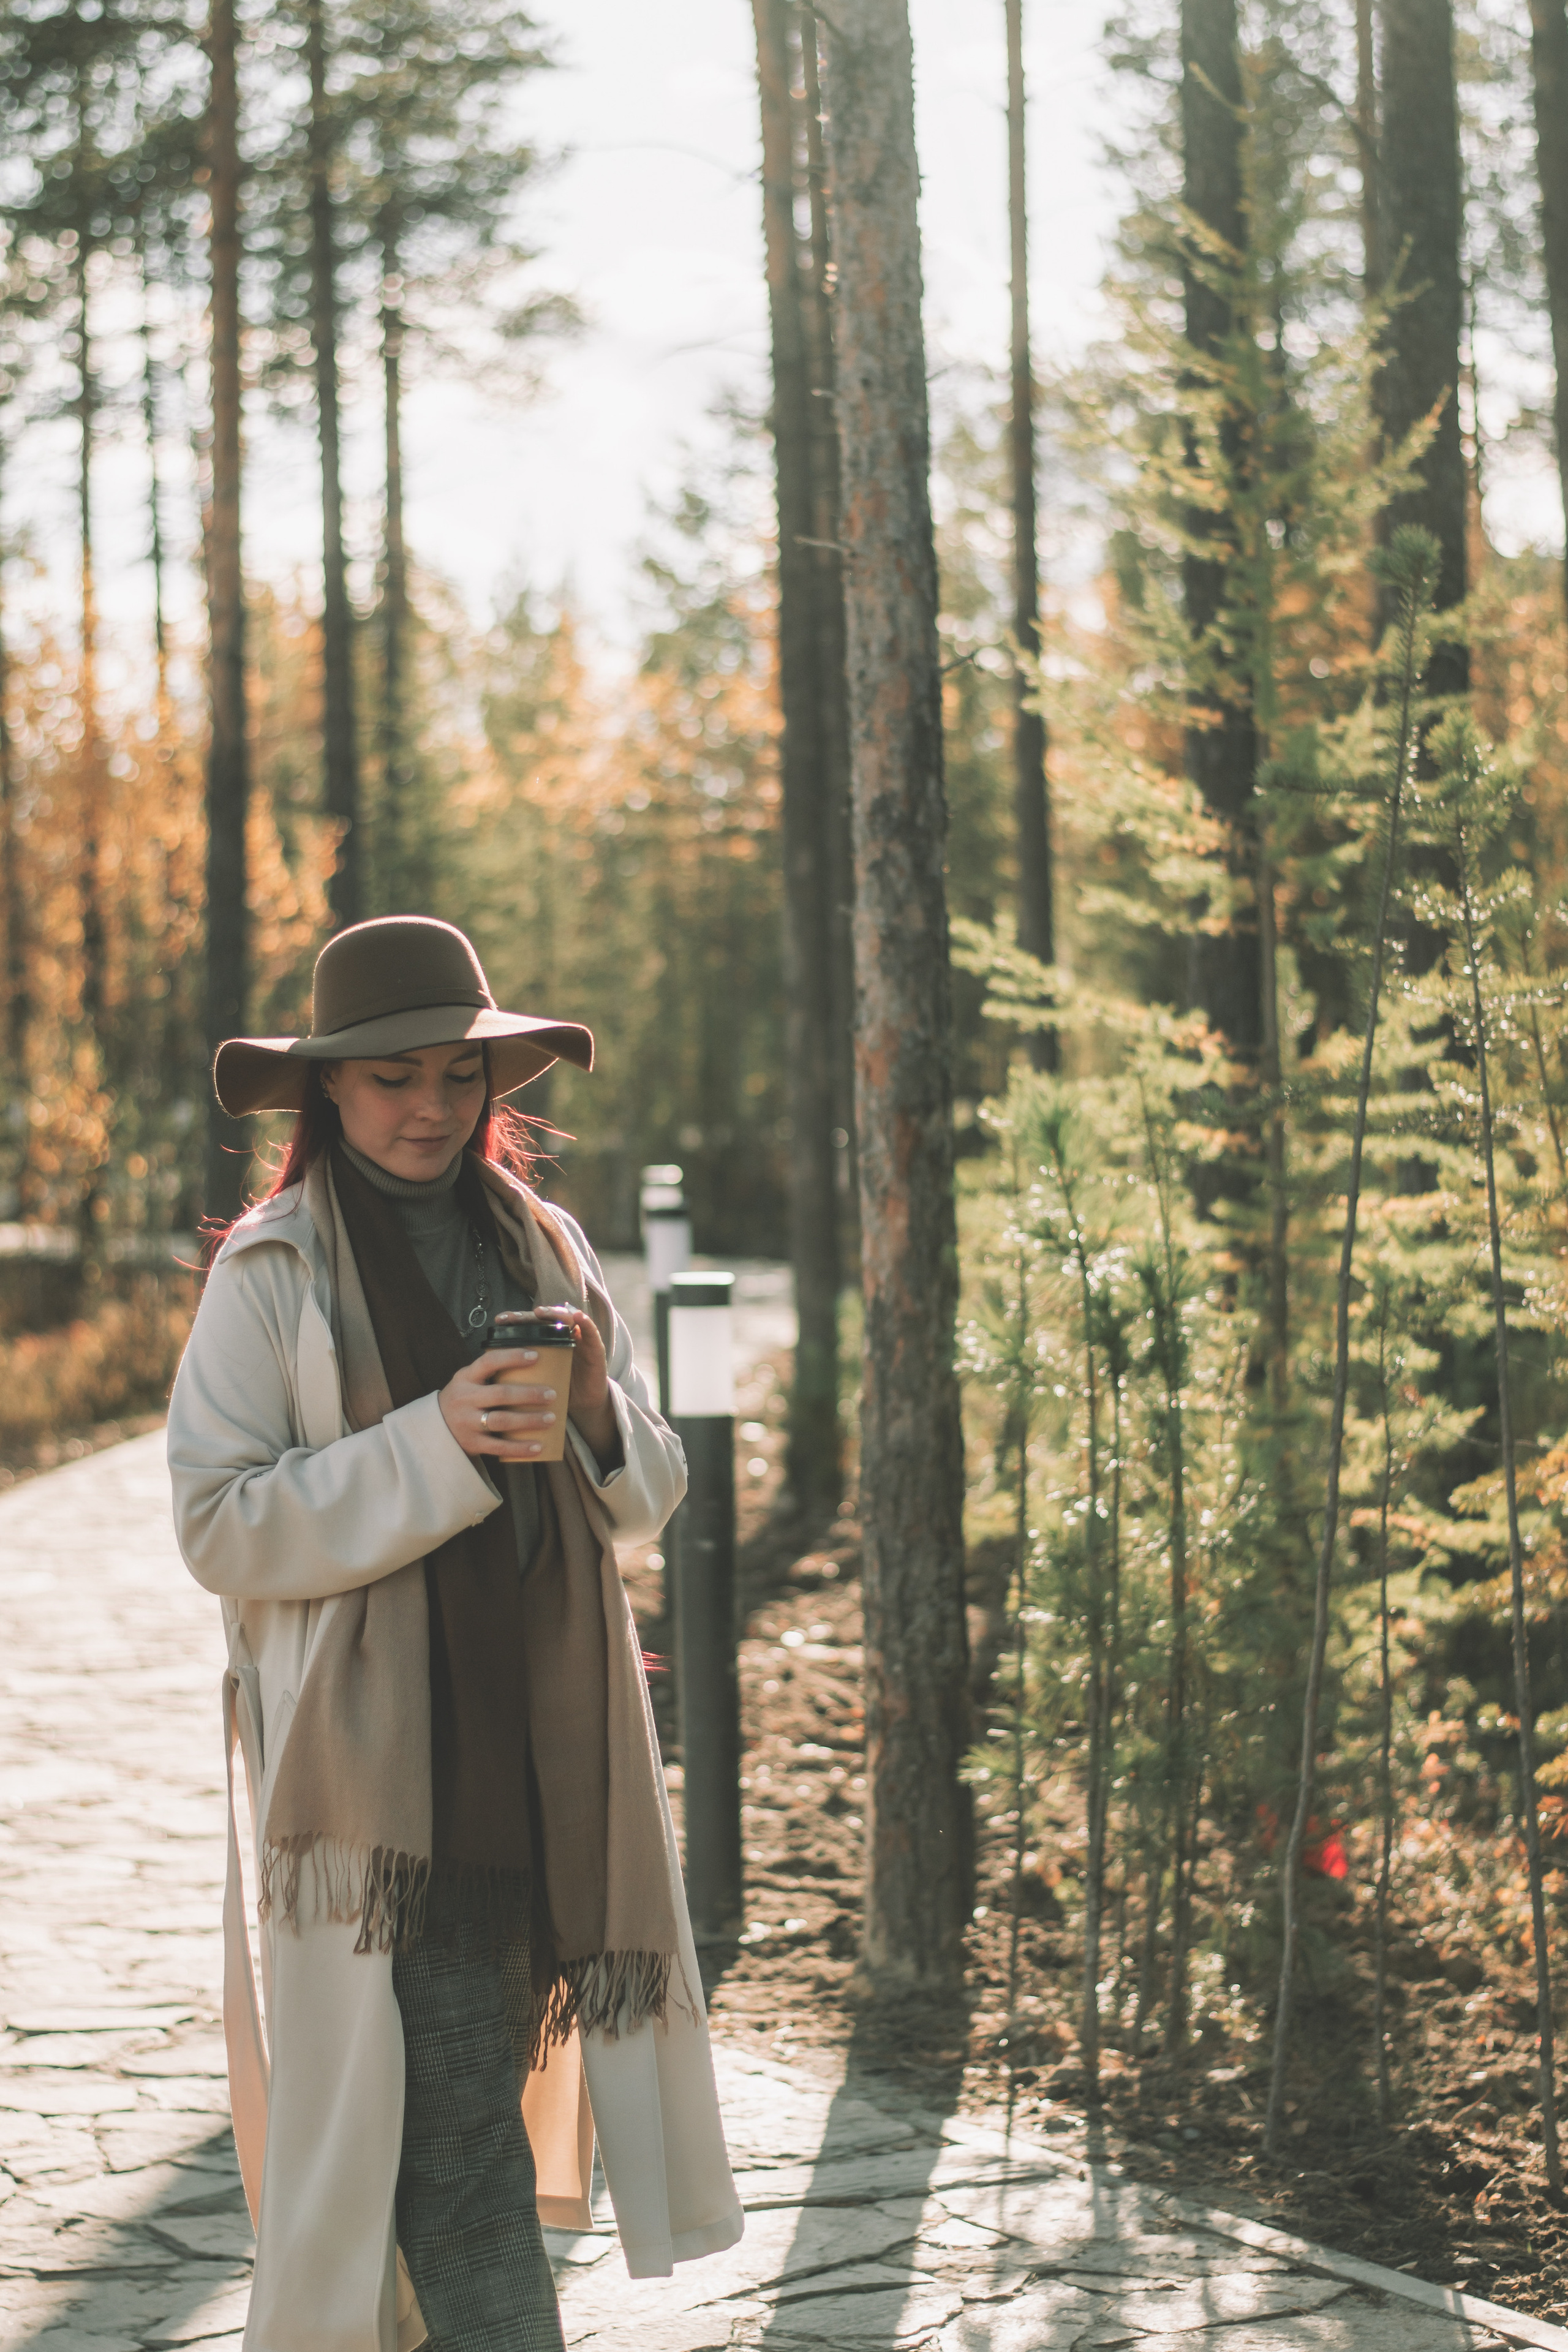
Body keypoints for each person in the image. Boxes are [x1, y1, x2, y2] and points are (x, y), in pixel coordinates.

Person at [167, 916, 742, 2352]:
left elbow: (645, 1499)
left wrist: (601, 1406)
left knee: (465, 2129)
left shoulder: (541, 1239)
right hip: (377, 1801)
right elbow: (218, 1523)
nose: (429, 1108)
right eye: (388, 1079)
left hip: (545, 1765)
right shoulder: (273, 1270)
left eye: (456, 1076)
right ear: (326, 1093)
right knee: (460, 2162)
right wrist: (435, 1442)